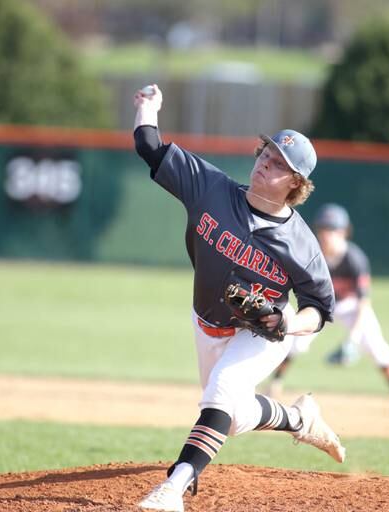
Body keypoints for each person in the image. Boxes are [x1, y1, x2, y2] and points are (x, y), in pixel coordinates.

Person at [132, 84, 345, 512]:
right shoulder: (211, 189)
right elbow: (149, 146)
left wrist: (286, 325)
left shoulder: (301, 243)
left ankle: (175, 487)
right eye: (267, 153)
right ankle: (301, 419)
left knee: (223, 390)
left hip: (261, 331)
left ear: (296, 184)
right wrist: (148, 107)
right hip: (206, 322)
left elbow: (320, 311)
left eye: (279, 164)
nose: (267, 163)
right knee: (228, 415)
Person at [265, 203, 389, 417]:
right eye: (323, 229)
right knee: (294, 340)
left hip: (350, 306)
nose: (327, 235)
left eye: (333, 229)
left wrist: (352, 339)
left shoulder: (355, 259)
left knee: (377, 347)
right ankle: (274, 386)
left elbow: (364, 303)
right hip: (321, 305)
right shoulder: (312, 254)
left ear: (344, 232)